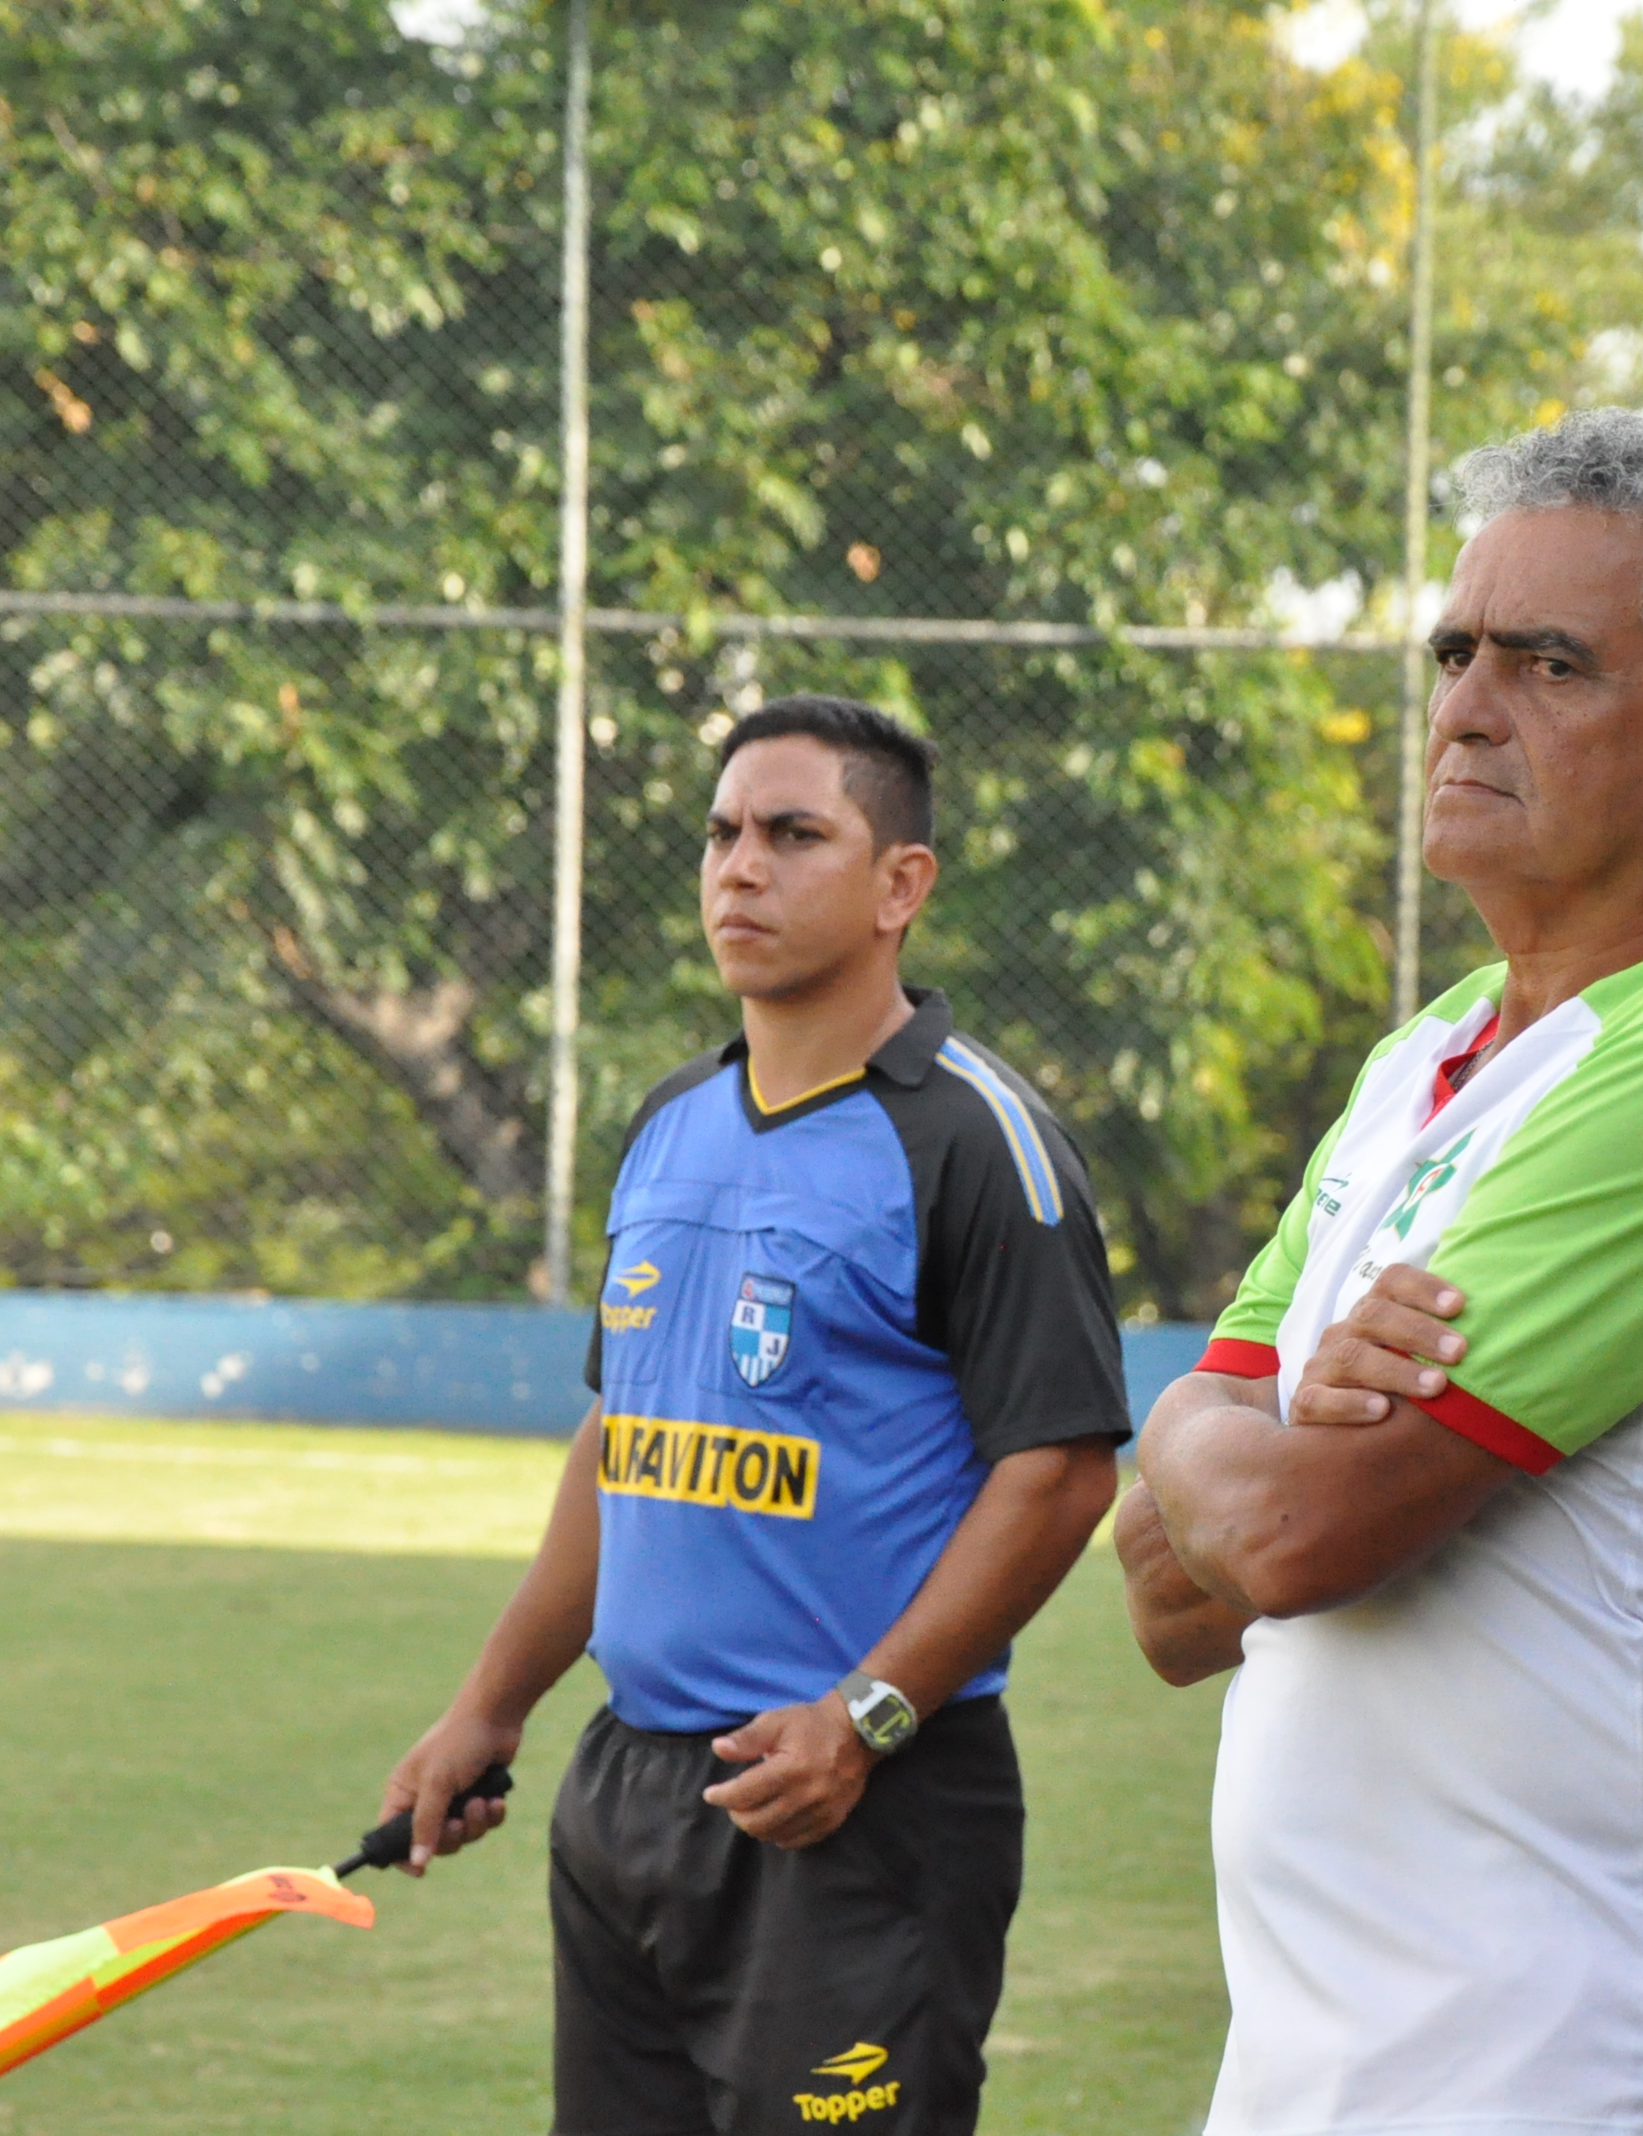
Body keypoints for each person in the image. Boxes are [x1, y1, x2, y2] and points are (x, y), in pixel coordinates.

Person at [1117, 409, 1643, 2136]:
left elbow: (1297, 1538)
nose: (1466, 704)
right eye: (1457, 650)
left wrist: (1219, 1435)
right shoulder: (1428, 1060)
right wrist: (1250, 1435)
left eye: (1550, 663)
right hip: (1322, 2067)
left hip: (1586, 2063)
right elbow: (1172, 1601)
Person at [384, 695, 1128, 2136]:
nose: (741, 867)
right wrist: (490, 1707)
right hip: (632, 1792)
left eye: (795, 836)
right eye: (724, 833)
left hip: (857, 1803)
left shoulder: (975, 1139)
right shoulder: (673, 1122)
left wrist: (867, 1719)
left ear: (900, 885)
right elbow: (622, 1448)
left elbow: (1061, 1474)